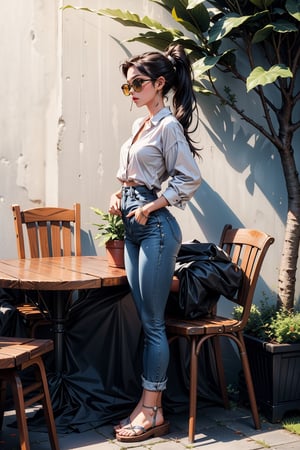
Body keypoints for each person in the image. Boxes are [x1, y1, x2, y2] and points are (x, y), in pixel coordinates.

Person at [108, 43, 202, 443]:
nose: (131, 92)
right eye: (127, 86)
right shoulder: (139, 126)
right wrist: (119, 195)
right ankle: (152, 407)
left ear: (159, 83)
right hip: (133, 225)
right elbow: (131, 176)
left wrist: (152, 206)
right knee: (147, 321)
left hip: (156, 229)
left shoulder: (168, 126)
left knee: (152, 324)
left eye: (138, 84)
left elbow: (189, 178)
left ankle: (151, 411)